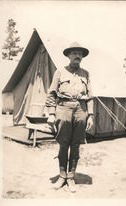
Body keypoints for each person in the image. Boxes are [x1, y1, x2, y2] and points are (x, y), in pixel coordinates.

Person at [45, 42, 94, 193]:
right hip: (63, 108)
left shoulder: (86, 74)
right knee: (63, 144)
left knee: (76, 145)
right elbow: (52, 94)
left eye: (80, 53)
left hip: (81, 110)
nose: (77, 56)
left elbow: (90, 96)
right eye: (74, 53)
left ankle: (71, 177)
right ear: (68, 55)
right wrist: (52, 113)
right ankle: (62, 176)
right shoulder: (60, 72)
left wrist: (90, 115)